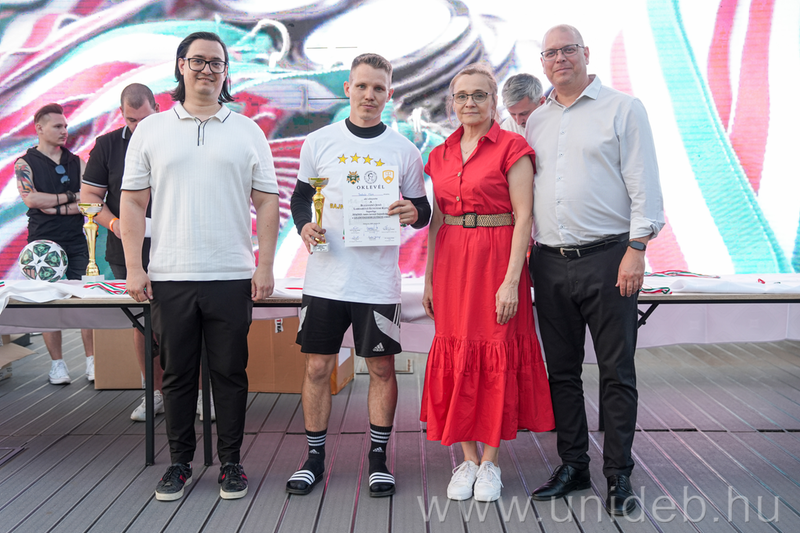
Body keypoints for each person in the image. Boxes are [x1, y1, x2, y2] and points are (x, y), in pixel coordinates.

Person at [120, 31, 279, 502]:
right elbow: (132, 203)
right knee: (177, 376)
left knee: (230, 374)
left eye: (216, 62)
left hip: (231, 273)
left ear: (226, 72)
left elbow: (267, 202)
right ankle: (179, 464)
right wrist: (134, 267)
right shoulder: (152, 129)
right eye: (198, 60)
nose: (207, 69)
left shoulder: (248, 130)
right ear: (181, 65)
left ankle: (231, 463)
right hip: (170, 274)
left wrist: (264, 266)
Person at [526, 25, 664, 516]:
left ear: (585, 52)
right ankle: (574, 466)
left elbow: (644, 181)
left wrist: (637, 248)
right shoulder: (536, 120)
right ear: (543, 62)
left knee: (616, 371)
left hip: (610, 258)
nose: (560, 58)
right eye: (551, 53)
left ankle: (619, 474)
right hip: (549, 261)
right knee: (561, 372)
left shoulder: (623, 108)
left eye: (568, 50)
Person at [286, 53, 430, 498]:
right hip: (325, 279)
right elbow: (300, 198)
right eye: (362, 86)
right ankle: (313, 459)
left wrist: (413, 212)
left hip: (376, 281)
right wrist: (303, 226)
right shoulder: (319, 142)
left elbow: (423, 210)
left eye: (379, 88)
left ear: (390, 94)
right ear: (348, 88)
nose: (370, 95)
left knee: (382, 368)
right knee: (317, 367)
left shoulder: (404, 150)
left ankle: (378, 460)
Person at [420, 63, 554, 502]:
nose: (470, 103)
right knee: (457, 353)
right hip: (451, 265)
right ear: (452, 103)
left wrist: (512, 281)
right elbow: (437, 220)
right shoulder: (439, 154)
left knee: (496, 353)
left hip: (497, 262)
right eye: (462, 96)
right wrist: (429, 279)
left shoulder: (513, 147)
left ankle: (491, 462)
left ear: (494, 101)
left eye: (479, 95)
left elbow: (524, 217)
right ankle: (467, 460)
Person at [82, 83, 166, 422]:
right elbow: (89, 196)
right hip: (126, 250)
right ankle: (154, 393)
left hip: (176, 246)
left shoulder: (175, 137)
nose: (138, 127)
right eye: (131, 121)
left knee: (190, 321)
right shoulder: (106, 145)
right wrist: (115, 224)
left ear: (157, 108)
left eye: (144, 119)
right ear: (121, 115)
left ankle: (199, 393)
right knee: (144, 324)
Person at [15, 103, 95, 385]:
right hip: (42, 245)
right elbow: (32, 199)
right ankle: (57, 365)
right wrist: (70, 197)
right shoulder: (25, 163)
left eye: (65, 126)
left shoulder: (77, 162)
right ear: (39, 128)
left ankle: (92, 361)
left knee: (86, 300)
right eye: (58, 126)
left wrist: (54, 205)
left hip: (77, 240)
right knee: (47, 300)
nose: (64, 131)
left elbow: (89, 200)